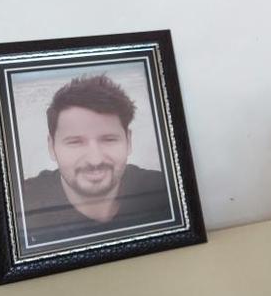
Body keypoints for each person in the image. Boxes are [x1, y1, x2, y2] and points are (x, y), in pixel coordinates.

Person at [21, 74, 173, 247]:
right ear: (51, 147)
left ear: (129, 141)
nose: (95, 160)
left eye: (109, 139)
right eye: (75, 142)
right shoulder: (21, 206)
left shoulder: (167, 192)